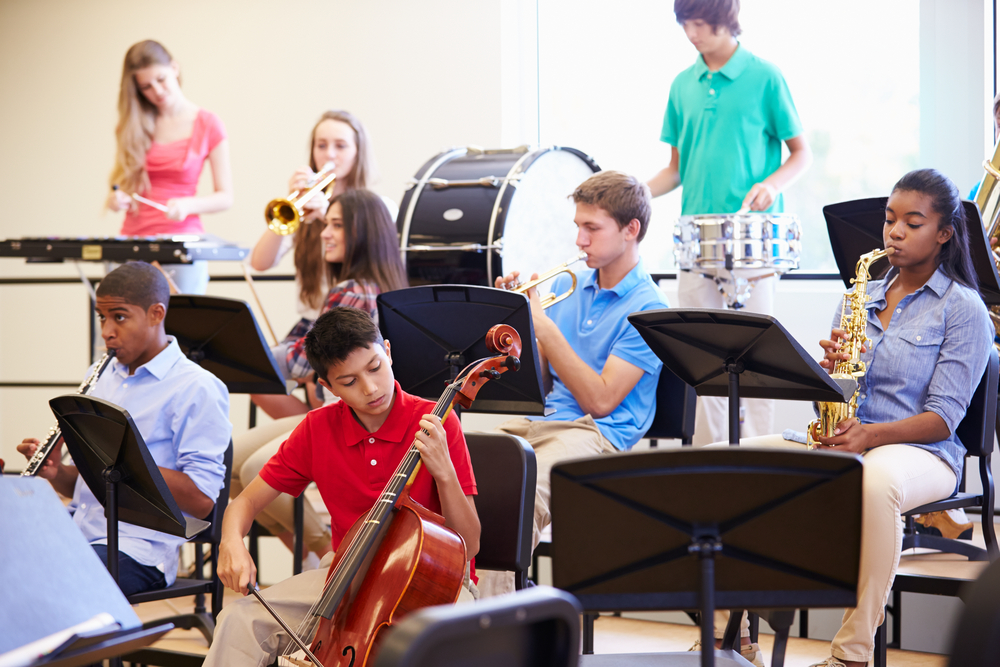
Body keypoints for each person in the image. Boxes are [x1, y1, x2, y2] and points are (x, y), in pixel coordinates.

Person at [717, 169, 992, 667]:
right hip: (853, 439)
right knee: (725, 463)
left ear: (945, 233)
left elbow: (943, 418)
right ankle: (729, 639)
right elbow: (839, 396)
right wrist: (829, 378)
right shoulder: (858, 296)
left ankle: (852, 653)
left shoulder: (963, 309)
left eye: (913, 222)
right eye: (890, 221)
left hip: (923, 452)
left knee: (873, 483)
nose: (895, 232)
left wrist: (869, 436)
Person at [203, 307, 479, 667]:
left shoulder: (436, 422)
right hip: (347, 577)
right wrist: (231, 542)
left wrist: (444, 472)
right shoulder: (318, 428)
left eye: (375, 367)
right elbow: (245, 502)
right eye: (348, 382)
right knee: (239, 620)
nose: (370, 388)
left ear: (389, 351)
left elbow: (470, 543)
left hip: (436, 583)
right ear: (327, 386)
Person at [477, 170, 669, 597]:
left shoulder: (649, 309)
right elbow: (540, 383)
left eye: (591, 228)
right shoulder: (573, 288)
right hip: (540, 423)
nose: (579, 240)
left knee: (513, 505)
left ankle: (482, 632)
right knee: (452, 477)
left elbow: (600, 401)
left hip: (596, 436)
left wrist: (544, 327)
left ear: (630, 230)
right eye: (578, 227)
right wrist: (520, 324)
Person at [646, 0, 811, 446]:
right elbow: (675, 168)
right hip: (695, 243)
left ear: (726, 21)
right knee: (701, 362)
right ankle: (709, 464)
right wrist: (638, 192)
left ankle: (765, 461)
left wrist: (773, 185)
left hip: (752, 243)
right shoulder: (683, 85)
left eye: (702, 24)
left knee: (760, 359)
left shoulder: (765, 77)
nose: (693, 34)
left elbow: (801, 153)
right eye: (686, 24)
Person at [16, 262, 231, 596]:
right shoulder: (100, 375)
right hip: (79, 531)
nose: (106, 331)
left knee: (50, 584)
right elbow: (98, 486)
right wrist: (58, 472)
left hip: (139, 550)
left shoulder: (196, 386)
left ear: (156, 314)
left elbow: (202, 500)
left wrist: (127, 468)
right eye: (102, 317)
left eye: (119, 317)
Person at [230, 189, 407, 565]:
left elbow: (300, 360)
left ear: (365, 234)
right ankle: (314, 558)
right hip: (330, 407)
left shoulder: (352, 290)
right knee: (229, 464)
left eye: (337, 226)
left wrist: (254, 353)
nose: (325, 233)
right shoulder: (375, 282)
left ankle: (327, 551)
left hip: (347, 413)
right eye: (326, 223)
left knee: (248, 469)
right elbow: (306, 343)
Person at [249, 110, 397, 419]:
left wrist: (326, 214)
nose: (329, 154)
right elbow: (260, 262)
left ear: (358, 152)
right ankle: (306, 435)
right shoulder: (304, 205)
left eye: (341, 146)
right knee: (255, 376)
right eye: (321, 145)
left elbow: (361, 276)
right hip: (309, 324)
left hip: (349, 326)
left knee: (331, 391)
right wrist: (294, 202)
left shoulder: (377, 205)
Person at [105, 40, 233, 295]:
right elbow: (124, 185)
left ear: (175, 68)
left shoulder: (208, 124)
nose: (157, 91)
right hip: (134, 241)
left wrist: (187, 205)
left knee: (183, 326)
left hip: (181, 243)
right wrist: (116, 199)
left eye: (161, 79)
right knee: (123, 330)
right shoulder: (130, 126)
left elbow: (226, 197)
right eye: (146, 87)